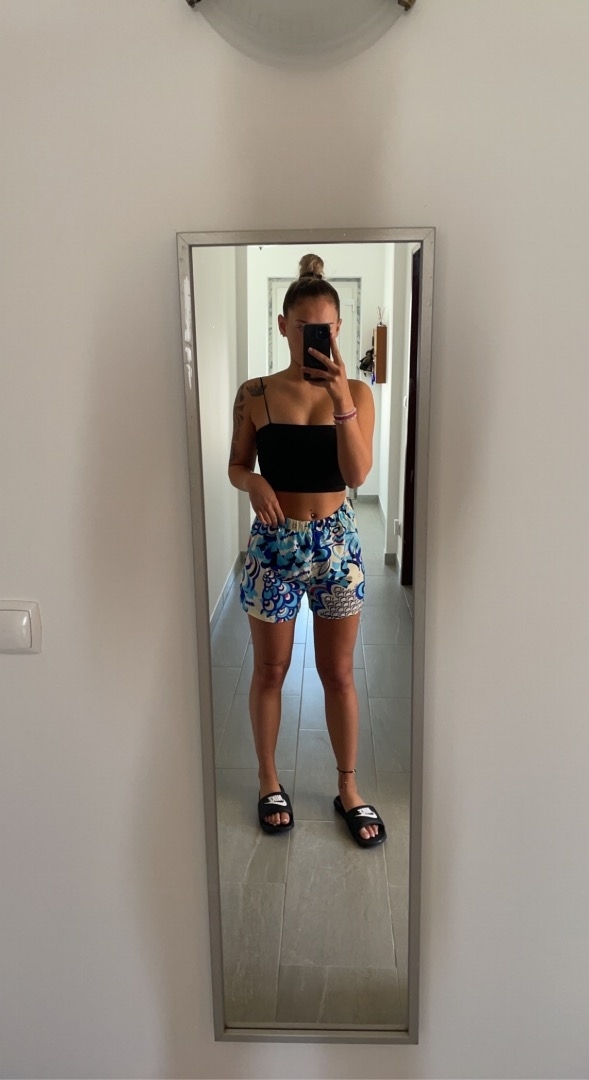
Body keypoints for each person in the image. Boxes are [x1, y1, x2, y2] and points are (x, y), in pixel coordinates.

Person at [228, 254, 386, 849]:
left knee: (338, 674)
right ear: (282, 327)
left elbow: (357, 474)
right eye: (301, 329)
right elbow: (236, 465)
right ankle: (269, 780)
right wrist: (253, 482)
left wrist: (341, 398)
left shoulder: (358, 392)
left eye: (323, 329)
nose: (312, 338)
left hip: (338, 547)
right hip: (273, 547)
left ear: (338, 330)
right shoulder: (255, 393)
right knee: (270, 670)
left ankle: (348, 786)